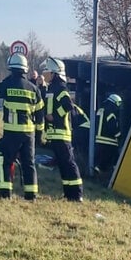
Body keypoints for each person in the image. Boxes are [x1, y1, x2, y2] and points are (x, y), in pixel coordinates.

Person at [0, 54, 45, 200]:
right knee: (29, 163)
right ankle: (31, 194)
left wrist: (4, 81)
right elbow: (40, 114)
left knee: (5, 160)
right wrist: (39, 134)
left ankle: (5, 193)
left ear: (11, 69)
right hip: (29, 133)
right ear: (25, 69)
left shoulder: (7, 84)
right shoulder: (34, 89)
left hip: (11, 132)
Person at [41, 57, 83, 202]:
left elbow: (68, 105)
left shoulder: (60, 88)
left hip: (62, 133)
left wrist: (54, 116)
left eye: (48, 72)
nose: (45, 75)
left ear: (55, 73)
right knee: (63, 165)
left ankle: (76, 195)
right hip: (54, 134)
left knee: (69, 163)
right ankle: (68, 194)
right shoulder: (52, 88)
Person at [94, 93, 123, 180]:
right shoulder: (111, 113)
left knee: (100, 160)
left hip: (98, 140)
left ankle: (96, 173)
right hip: (109, 141)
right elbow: (113, 127)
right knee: (115, 159)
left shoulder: (100, 110)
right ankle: (116, 176)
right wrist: (119, 136)